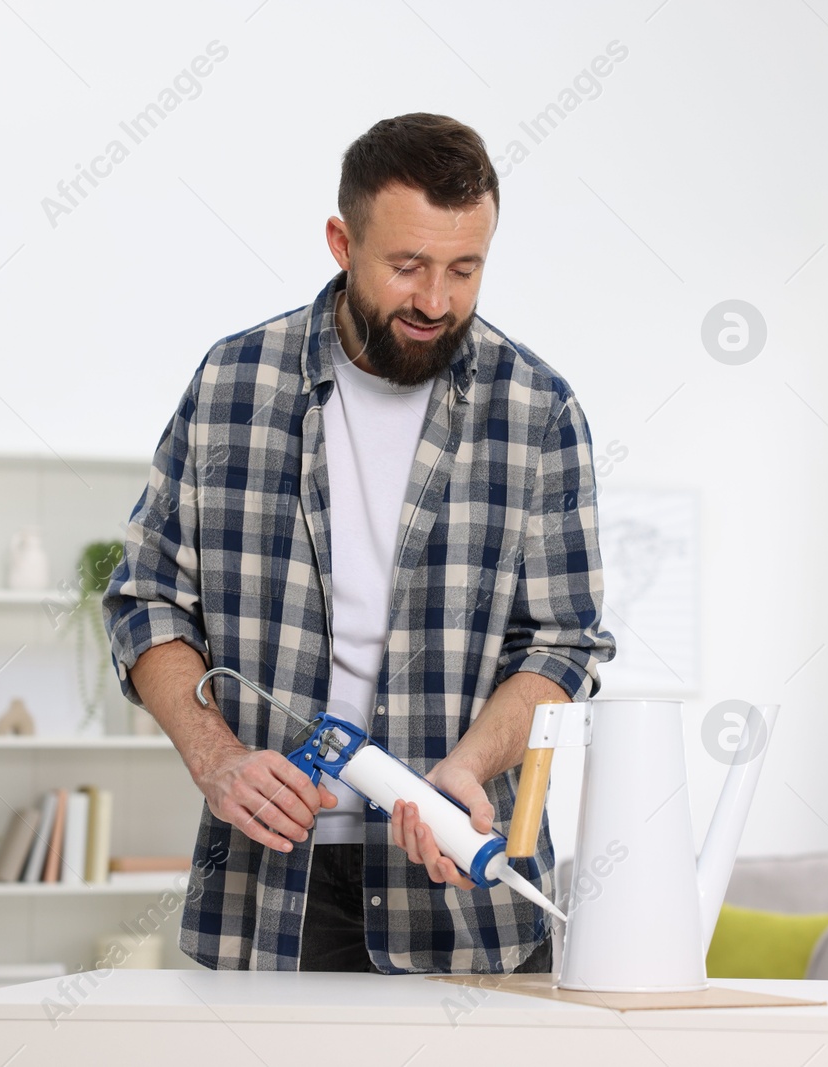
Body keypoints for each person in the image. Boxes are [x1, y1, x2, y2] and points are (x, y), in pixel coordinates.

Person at [102, 112, 615, 974]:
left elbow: (564, 643)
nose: (436, 300)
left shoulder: (538, 411)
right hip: (266, 895)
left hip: (462, 896)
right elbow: (146, 599)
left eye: (465, 268)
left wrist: (468, 765)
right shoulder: (234, 385)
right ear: (342, 242)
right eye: (407, 265)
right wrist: (216, 757)